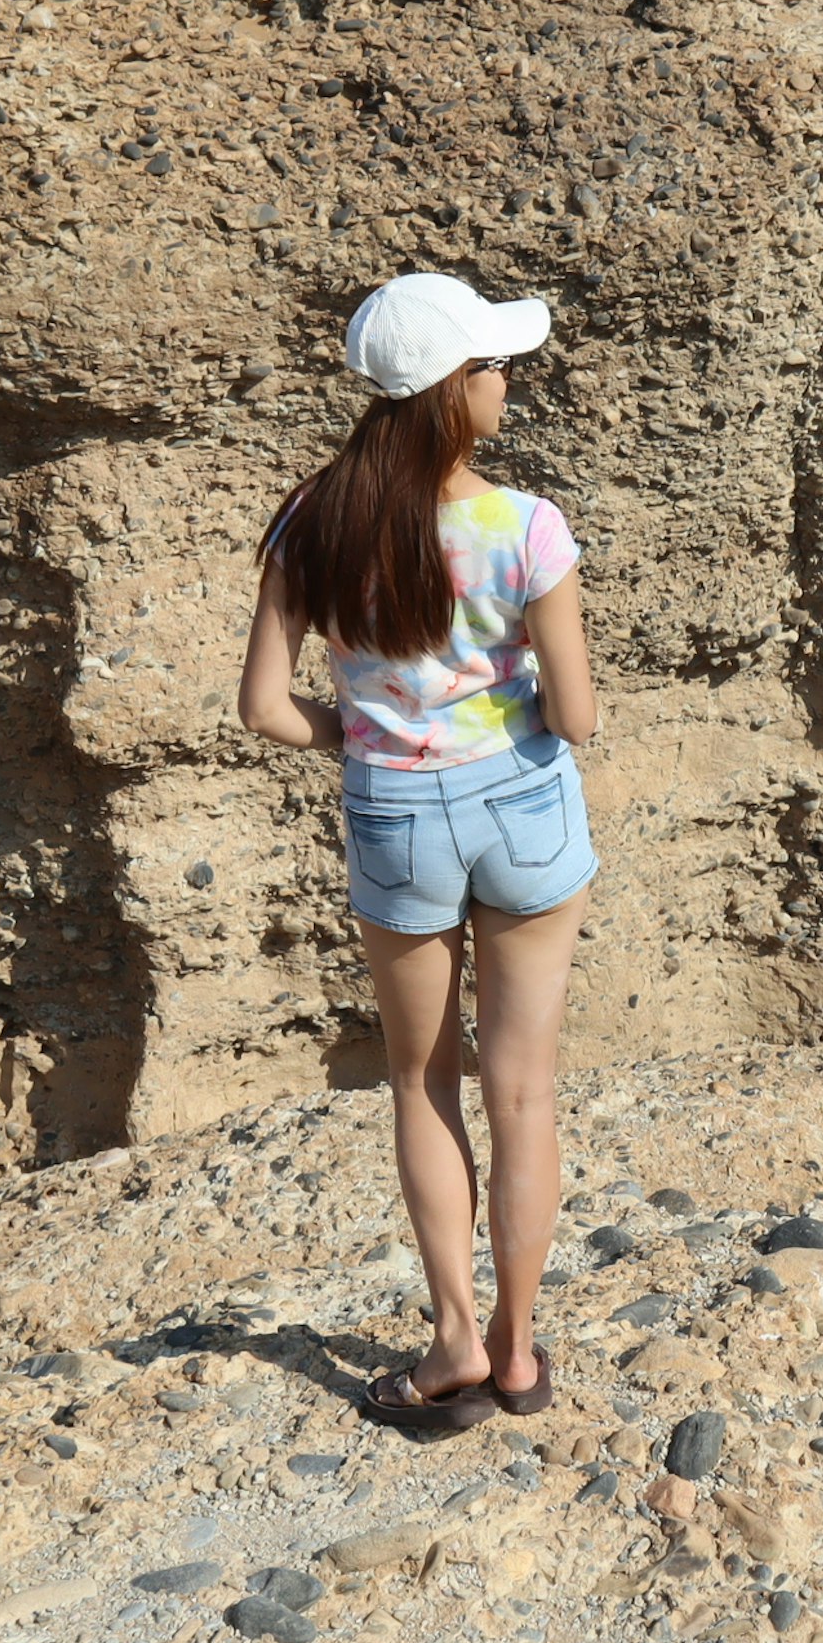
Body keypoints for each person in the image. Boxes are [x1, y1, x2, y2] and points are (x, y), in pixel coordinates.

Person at [237, 270, 601, 1431]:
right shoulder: (526, 526)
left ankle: (450, 1343)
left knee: (420, 1079)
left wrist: (370, 735)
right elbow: (579, 716)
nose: (506, 381)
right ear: (450, 390)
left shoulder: (315, 521)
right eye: (493, 365)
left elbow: (264, 706)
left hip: (395, 814)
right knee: (524, 1090)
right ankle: (519, 1348)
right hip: (524, 809)